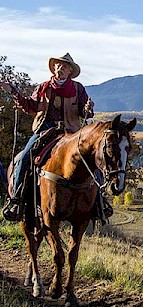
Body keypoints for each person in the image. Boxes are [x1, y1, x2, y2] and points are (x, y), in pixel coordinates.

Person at [0, 53, 95, 221]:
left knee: (91, 161)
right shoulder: (43, 87)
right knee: (25, 157)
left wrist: (88, 108)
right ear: (54, 68)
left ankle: (98, 204)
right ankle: (16, 198)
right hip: (45, 129)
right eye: (59, 65)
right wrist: (14, 92)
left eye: (65, 66)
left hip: (71, 132)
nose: (61, 68)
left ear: (70, 71)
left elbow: (84, 112)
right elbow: (31, 106)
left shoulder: (78, 89)